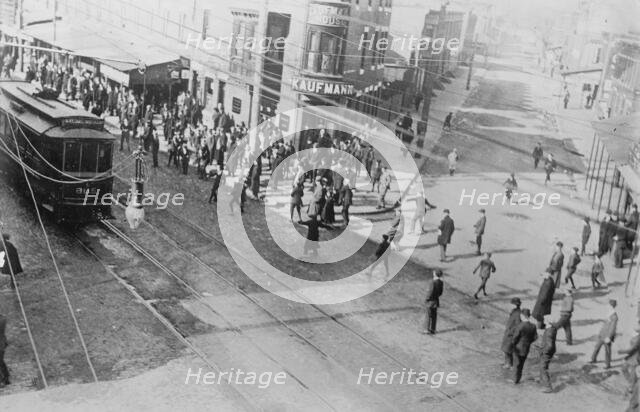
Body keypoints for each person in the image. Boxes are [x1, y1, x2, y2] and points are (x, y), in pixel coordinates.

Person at [511, 308, 537, 384]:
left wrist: (513, 344)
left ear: (523, 316)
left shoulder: (520, 326)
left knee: (516, 364)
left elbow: (515, 338)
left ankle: (515, 380)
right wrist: (528, 342)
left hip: (518, 348)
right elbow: (535, 337)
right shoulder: (533, 326)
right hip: (526, 348)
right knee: (521, 364)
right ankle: (518, 379)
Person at [591, 299, 618, 369]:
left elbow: (613, 328)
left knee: (607, 350)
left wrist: (609, 337)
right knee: (597, 347)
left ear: (611, 306)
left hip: (607, 336)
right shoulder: (609, 313)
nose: (607, 306)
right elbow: (604, 325)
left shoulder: (614, 316)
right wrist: (600, 332)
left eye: (608, 305)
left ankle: (607, 364)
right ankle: (593, 359)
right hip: (602, 334)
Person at [539, 315, 558, 393]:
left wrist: (544, 351)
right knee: (542, 366)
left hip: (547, 351)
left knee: (543, 368)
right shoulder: (552, 328)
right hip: (549, 350)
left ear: (548, 321)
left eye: (545, 320)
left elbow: (549, 345)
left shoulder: (549, 331)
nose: (543, 320)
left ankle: (548, 387)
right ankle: (542, 381)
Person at [421, 269, 444, 335]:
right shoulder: (441, 282)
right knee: (434, 315)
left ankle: (426, 329)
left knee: (428, 315)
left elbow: (430, 291)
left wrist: (427, 298)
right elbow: (440, 292)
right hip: (436, 300)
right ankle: (433, 329)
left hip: (430, 301)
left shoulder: (432, 282)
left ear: (435, 274)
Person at [619, 325, 640, 395]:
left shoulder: (638, 339)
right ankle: (631, 382)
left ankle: (632, 387)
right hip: (632, 355)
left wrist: (621, 351)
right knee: (624, 368)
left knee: (633, 372)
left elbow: (632, 349)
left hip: (636, 357)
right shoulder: (636, 336)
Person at [501, 297, 522, 369]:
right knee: (506, 348)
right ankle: (506, 362)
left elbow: (518, 325)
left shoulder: (517, 314)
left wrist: (511, 332)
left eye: (511, 304)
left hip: (511, 334)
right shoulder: (514, 311)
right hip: (508, 333)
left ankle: (509, 364)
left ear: (515, 305)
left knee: (508, 349)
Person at [0, 313, 8, 387]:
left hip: (1, 344)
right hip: (2, 343)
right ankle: (6, 377)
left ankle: (2, 380)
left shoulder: (2, 319)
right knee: (1, 361)